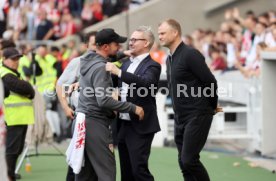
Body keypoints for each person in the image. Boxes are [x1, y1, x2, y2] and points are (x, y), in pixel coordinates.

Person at [75, 28, 144, 181]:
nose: (119, 46)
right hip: (95, 123)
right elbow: (104, 100)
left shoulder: (88, 60)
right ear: (105, 47)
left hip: (82, 122)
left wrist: (121, 54)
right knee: (107, 173)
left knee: (86, 174)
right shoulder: (100, 67)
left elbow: (104, 57)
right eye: (116, 44)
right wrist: (133, 108)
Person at [158, 19, 218, 181]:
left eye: (163, 33)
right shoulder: (169, 59)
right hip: (180, 116)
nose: (160, 37)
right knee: (183, 162)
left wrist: (212, 105)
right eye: (159, 34)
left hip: (197, 114)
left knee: (189, 160)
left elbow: (210, 82)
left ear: (175, 32)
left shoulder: (190, 54)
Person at [105, 26, 161, 181]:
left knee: (139, 171)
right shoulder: (127, 63)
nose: (131, 42)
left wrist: (119, 73)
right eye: (131, 39)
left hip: (140, 125)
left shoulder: (153, 65)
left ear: (146, 43)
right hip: (123, 124)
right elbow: (104, 60)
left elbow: (146, 84)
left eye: (135, 40)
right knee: (126, 172)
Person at [56, 31, 97, 181]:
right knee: (78, 157)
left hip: (100, 119)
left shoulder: (106, 62)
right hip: (81, 117)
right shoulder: (78, 62)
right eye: (94, 44)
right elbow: (60, 85)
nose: (96, 48)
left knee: (92, 160)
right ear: (86, 45)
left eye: (99, 44)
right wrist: (66, 108)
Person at [0, 47, 35, 181]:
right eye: (13, 59)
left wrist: (28, 89)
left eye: (18, 59)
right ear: (4, 60)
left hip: (19, 117)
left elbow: (25, 88)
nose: (16, 62)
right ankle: (8, 175)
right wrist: (29, 89)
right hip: (12, 117)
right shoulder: (5, 73)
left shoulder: (12, 72)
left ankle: (10, 173)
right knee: (12, 150)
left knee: (17, 149)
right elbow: (24, 88)